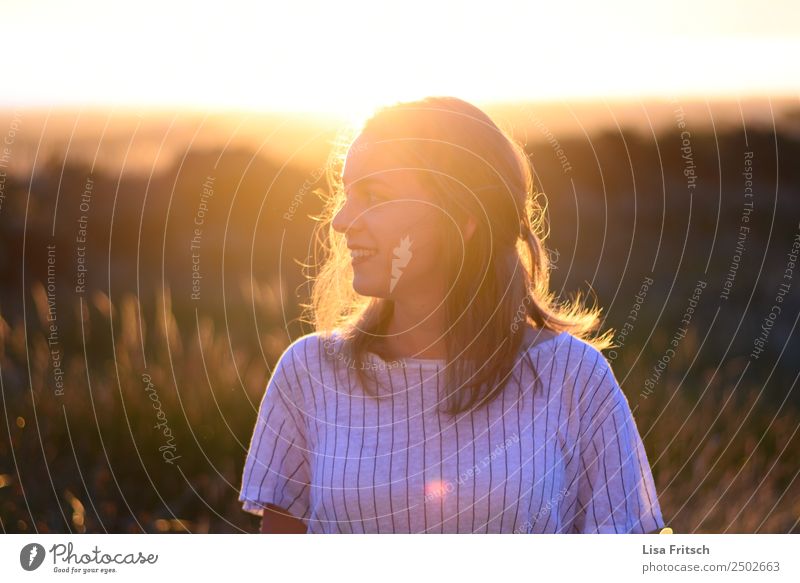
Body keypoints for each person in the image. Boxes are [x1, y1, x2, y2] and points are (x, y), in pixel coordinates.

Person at [239, 96, 666, 534]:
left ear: (465, 217)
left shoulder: (574, 377)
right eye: (348, 194)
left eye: (374, 196)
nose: (342, 220)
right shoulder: (309, 374)